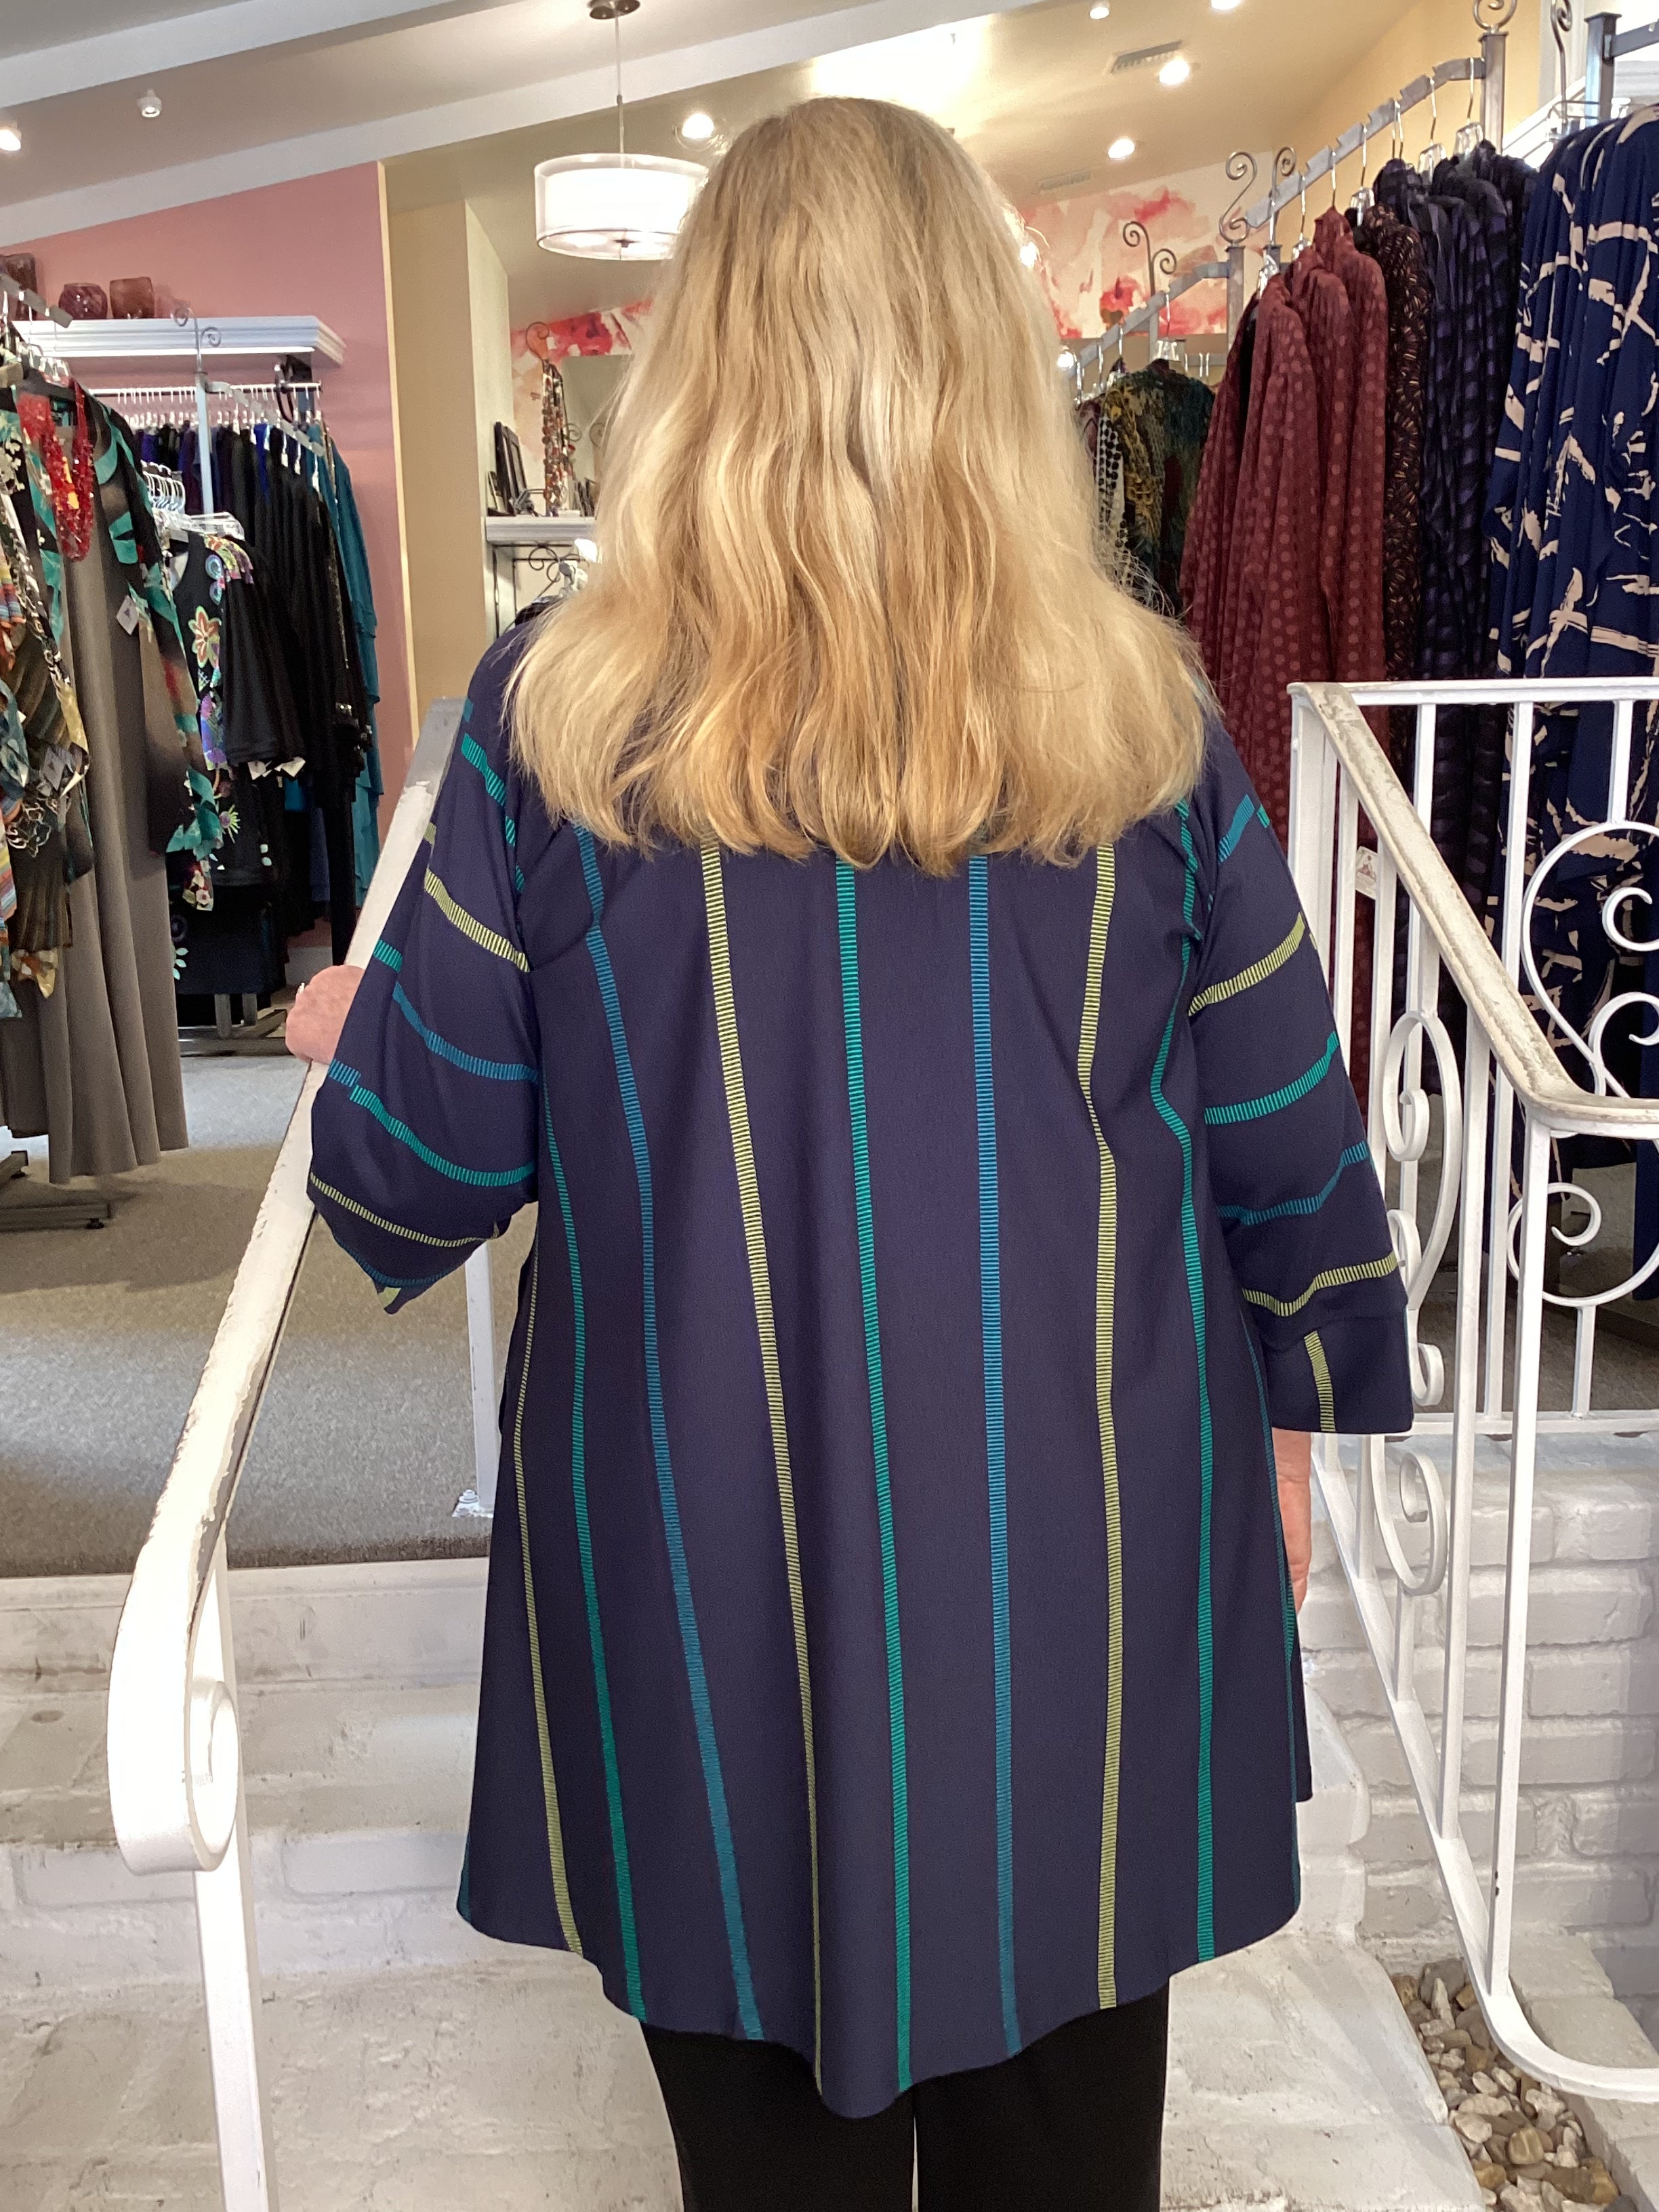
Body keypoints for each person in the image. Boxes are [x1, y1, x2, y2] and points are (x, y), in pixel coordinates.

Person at [289, 96, 1412, 2212]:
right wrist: (1291, 1429)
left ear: (697, 361)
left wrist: (353, 1024)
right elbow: (1282, 1124)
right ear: (990, 357)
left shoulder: (550, 723)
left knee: (766, 2171)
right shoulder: (1144, 717)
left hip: (697, 1547)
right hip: (1081, 1543)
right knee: (1065, 2161)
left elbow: (424, 1167)